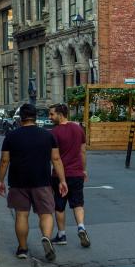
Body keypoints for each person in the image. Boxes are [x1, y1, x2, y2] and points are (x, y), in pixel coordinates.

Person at [0, 103, 67, 262]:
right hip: (42, 180)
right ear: (35, 117)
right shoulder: (48, 135)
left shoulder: (11, 136)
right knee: (46, 213)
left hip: (18, 181)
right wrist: (62, 180)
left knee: (21, 215)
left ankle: (22, 248)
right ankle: (46, 238)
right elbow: (56, 159)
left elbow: (4, 161)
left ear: (20, 118)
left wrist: (0, 181)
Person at [49, 104, 90, 248]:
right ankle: (81, 227)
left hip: (60, 175)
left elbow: (54, 157)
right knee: (78, 203)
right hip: (77, 173)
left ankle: (62, 235)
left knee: (59, 206)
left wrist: (60, 179)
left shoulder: (54, 133)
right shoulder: (78, 129)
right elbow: (83, 152)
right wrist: (83, 169)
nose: (50, 117)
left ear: (60, 115)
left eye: (52, 114)